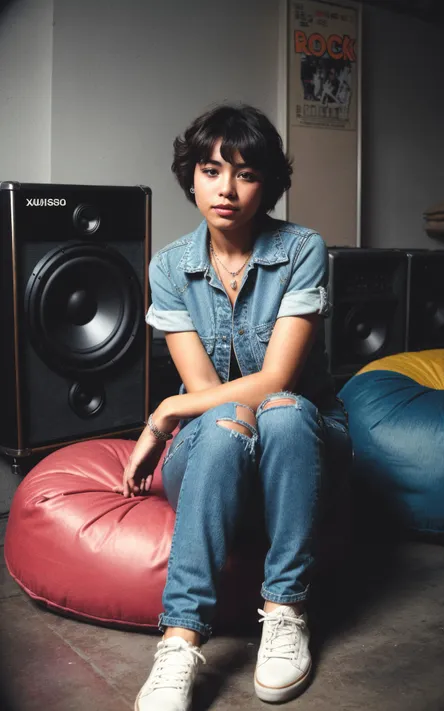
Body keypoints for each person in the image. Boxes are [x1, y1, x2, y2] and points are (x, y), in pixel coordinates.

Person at [116, 103, 352, 711]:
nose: (226, 188)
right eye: (211, 168)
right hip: (213, 447)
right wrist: (182, 407)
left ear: (268, 183)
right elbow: (205, 400)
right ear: (190, 175)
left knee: (286, 409)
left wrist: (163, 409)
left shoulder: (302, 248)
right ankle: (179, 641)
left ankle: (285, 610)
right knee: (224, 429)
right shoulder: (170, 266)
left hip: (298, 442)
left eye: (246, 173)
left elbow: (277, 379)